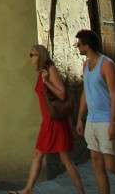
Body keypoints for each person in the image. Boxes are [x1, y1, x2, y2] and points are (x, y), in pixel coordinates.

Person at [10, 44, 85, 194]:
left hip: (56, 122)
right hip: (48, 122)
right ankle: (28, 189)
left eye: (32, 55)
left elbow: (62, 94)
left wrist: (47, 82)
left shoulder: (50, 70)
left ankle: (81, 192)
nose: (30, 58)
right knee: (39, 154)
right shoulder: (43, 72)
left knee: (65, 159)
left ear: (40, 56)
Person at [76, 29, 115, 194]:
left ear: (87, 46)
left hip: (106, 120)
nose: (78, 47)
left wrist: (113, 122)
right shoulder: (85, 66)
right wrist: (80, 118)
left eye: (79, 44)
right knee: (96, 163)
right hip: (92, 120)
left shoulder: (107, 64)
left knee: (111, 165)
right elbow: (86, 92)